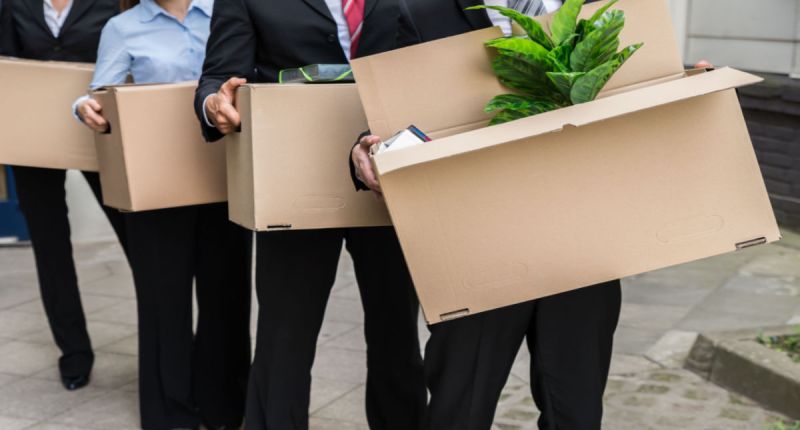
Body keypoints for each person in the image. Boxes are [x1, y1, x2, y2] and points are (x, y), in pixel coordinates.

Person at [353, 1, 618, 429]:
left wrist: (690, 81)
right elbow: (373, 111)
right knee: (460, 410)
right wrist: (361, 150)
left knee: (577, 411)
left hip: (580, 240)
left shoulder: (598, 7)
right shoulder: (404, 6)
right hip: (472, 244)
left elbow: (641, 81)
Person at [194, 1, 426, 429]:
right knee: (285, 338)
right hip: (293, 180)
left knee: (397, 334)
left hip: (386, 177)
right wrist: (213, 104)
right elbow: (217, 75)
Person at [72, 0, 252, 428]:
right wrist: (83, 107)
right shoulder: (123, 26)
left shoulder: (230, 13)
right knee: (162, 303)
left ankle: (224, 406)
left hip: (224, 178)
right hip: (155, 186)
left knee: (226, 298)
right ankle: (170, 412)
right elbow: (101, 92)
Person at [0, 0, 127, 392]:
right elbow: (6, 68)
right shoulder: (14, 5)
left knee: (140, 240)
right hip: (33, 142)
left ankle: (163, 343)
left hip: (99, 135)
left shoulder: (110, 5)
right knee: (51, 249)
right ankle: (74, 352)